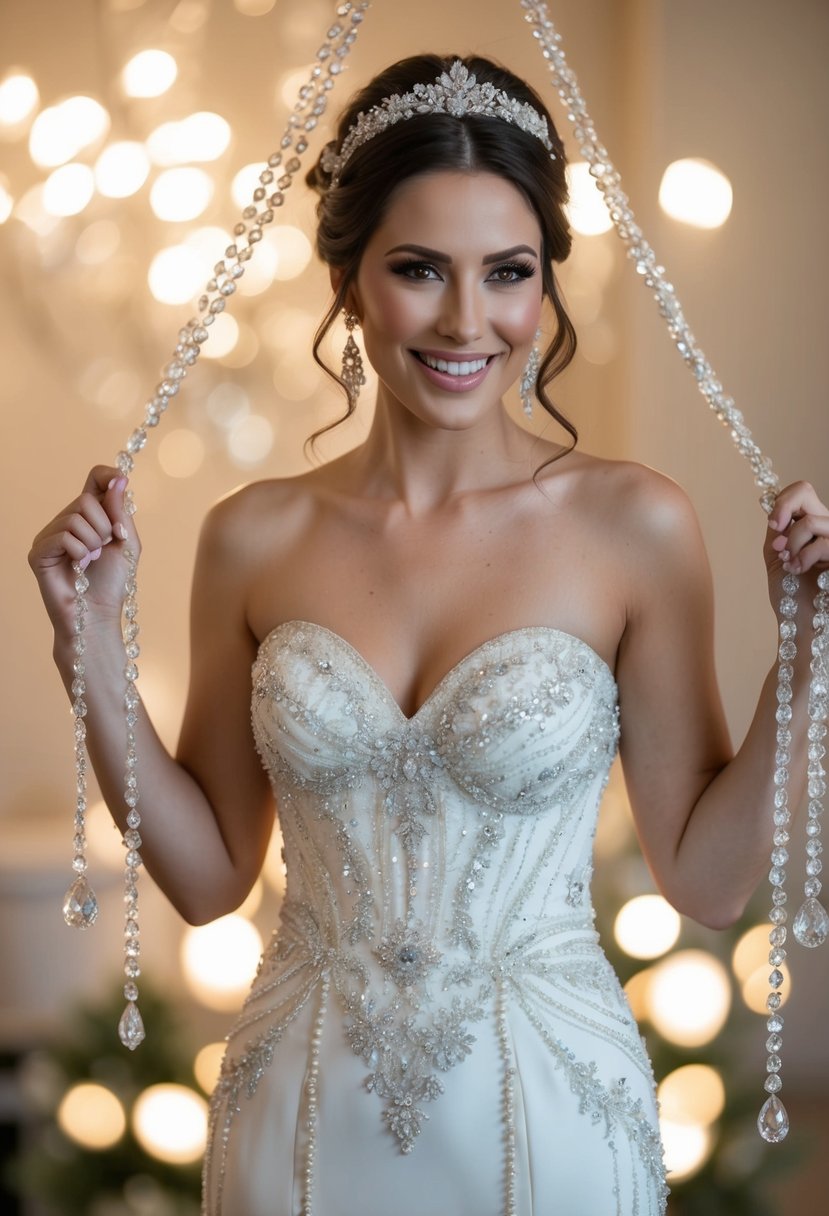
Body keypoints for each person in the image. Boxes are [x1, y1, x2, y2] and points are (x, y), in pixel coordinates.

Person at [28, 53, 829, 1216]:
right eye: (418, 270)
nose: (468, 320)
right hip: (297, 1121)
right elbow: (205, 881)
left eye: (508, 273)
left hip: (546, 1125)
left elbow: (705, 881)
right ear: (348, 281)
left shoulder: (633, 524)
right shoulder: (251, 536)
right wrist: (86, 647)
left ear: (546, 284)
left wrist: (804, 668)